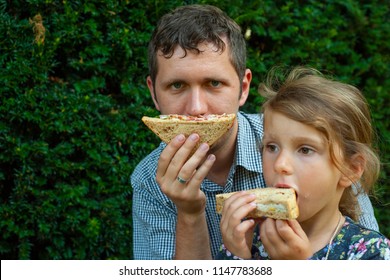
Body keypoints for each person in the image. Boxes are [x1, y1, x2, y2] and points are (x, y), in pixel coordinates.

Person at [130, 4, 379, 260]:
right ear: (154, 93)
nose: (197, 108)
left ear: (244, 87)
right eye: (177, 85)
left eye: (214, 83)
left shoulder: (307, 140)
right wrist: (190, 213)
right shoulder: (150, 182)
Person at [217, 66, 390, 260]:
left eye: (305, 150)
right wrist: (237, 256)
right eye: (272, 147)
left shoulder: (372, 253)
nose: (280, 164)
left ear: (351, 169)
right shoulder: (249, 239)